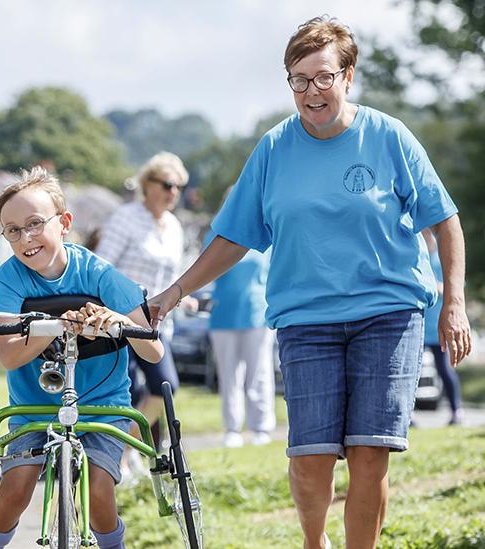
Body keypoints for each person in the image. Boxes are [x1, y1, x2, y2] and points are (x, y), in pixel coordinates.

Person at [147, 16, 471, 549]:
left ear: (348, 76)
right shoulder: (275, 149)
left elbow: (446, 220)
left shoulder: (389, 137)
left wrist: (453, 303)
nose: (310, 91)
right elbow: (234, 236)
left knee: (370, 454)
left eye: (322, 77)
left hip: (388, 314)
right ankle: (313, 540)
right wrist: (174, 292)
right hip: (306, 320)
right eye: (298, 79)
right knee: (310, 457)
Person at [0, 167, 162, 549]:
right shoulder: (8, 280)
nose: (25, 237)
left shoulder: (99, 274)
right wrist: (56, 326)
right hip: (33, 405)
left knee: (99, 493)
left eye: (34, 224)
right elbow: (9, 357)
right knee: (14, 490)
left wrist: (117, 319)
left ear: (64, 223)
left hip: (102, 405)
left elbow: (153, 349)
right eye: (12, 230)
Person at [94, 152, 192, 459]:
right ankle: (117, 458)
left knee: (164, 388)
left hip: (157, 324)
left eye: (179, 186)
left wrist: (183, 296)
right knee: (128, 392)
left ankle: (123, 450)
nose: (173, 192)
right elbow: (102, 266)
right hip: (121, 318)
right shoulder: (126, 217)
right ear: (147, 185)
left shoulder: (174, 226)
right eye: (167, 184)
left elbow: (173, 276)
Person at [203, 225, 276, 448]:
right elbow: (206, 268)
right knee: (229, 375)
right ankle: (232, 428)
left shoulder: (267, 235)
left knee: (259, 372)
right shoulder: (216, 233)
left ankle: (261, 427)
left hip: (257, 312)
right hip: (223, 314)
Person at [421, 228, 465, 426]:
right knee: (409, 372)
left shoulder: (440, 255)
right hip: (417, 325)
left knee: (445, 369)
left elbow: (456, 284)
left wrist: (436, 286)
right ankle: (409, 417)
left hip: (437, 325)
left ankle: (457, 411)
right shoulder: (415, 250)